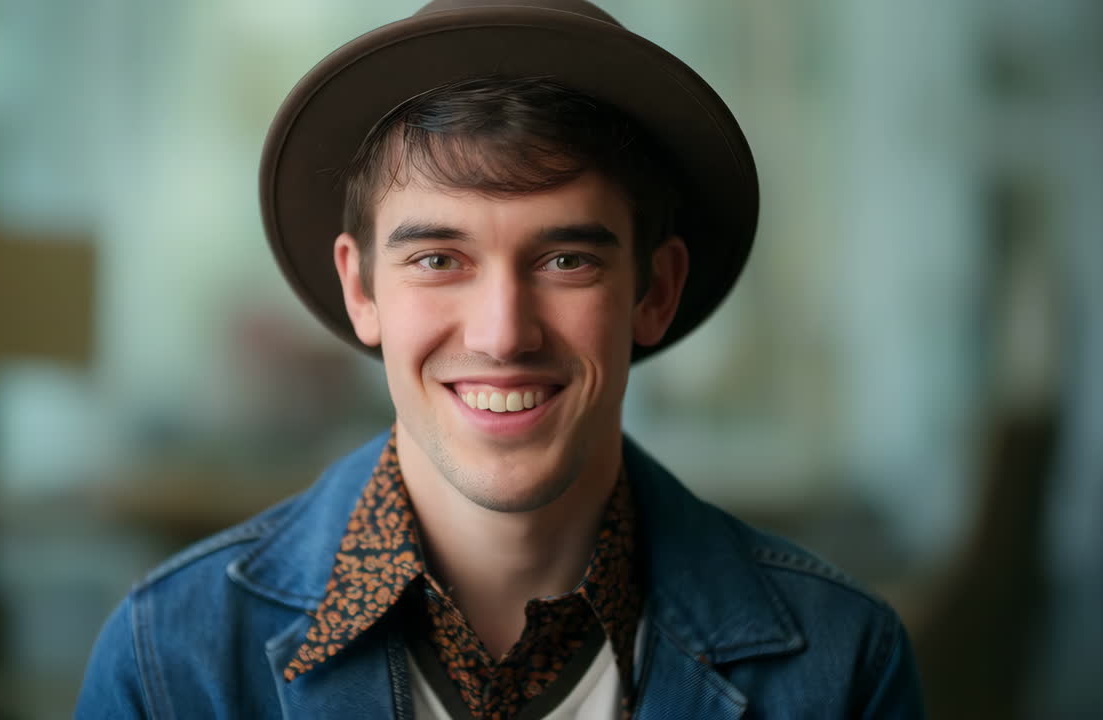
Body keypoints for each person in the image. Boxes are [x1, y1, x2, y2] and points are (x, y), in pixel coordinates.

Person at [77, 1, 924, 717]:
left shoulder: (841, 666)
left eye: (566, 261)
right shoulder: (172, 663)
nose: (502, 333)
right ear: (362, 289)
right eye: (438, 259)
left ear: (655, 291)